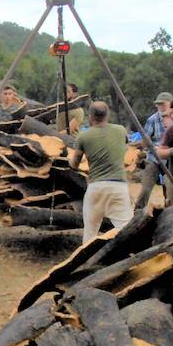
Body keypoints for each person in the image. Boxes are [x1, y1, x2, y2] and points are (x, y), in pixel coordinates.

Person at [67, 101, 136, 243]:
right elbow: (125, 146)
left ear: (90, 116)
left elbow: (74, 165)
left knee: (90, 231)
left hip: (96, 187)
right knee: (125, 229)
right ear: (107, 115)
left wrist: (68, 160)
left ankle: (85, 261)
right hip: (118, 187)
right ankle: (127, 259)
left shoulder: (84, 136)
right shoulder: (120, 130)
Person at [132, 92, 173, 211]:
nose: (159, 106)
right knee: (145, 189)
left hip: (170, 159)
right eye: (157, 104)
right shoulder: (152, 119)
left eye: (162, 104)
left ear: (171, 104)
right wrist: (140, 145)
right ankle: (138, 212)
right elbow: (145, 141)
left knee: (170, 191)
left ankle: (169, 213)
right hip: (154, 158)